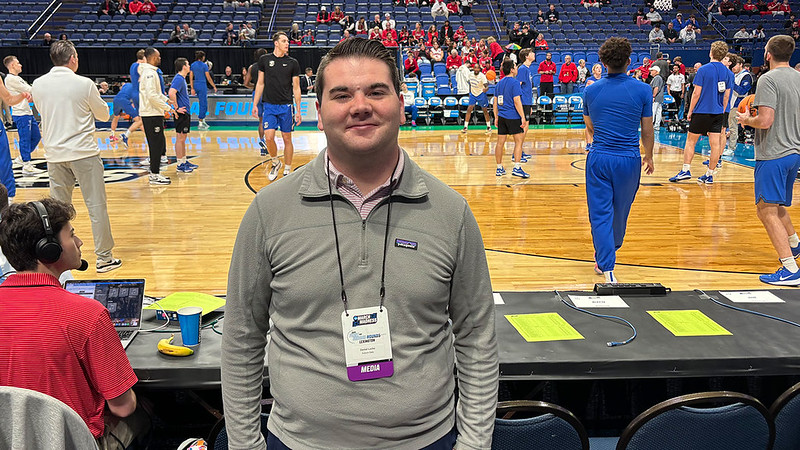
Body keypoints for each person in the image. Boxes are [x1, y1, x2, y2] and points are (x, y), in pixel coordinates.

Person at [221, 36, 498, 450]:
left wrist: (474, 443)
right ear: (318, 113)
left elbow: (477, 335)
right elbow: (242, 335)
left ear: (401, 104)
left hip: (428, 440)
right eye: (342, 95)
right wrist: (245, 445)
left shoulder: (451, 212)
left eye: (376, 92)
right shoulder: (269, 210)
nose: (360, 106)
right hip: (297, 442)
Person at [0, 198, 151, 448]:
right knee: (143, 410)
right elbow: (123, 407)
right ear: (49, 249)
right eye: (71, 235)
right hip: (73, 443)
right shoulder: (88, 314)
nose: (79, 242)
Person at [31, 40, 121, 273]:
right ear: (72, 58)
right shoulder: (84, 84)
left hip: (54, 154)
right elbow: (103, 114)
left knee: (57, 212)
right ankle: (104, 258)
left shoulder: (37, 84)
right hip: (84, 153)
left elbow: (42, 111)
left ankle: (58, 258)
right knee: (96, 206)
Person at [583, 37, 655, 283]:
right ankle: (607, 257)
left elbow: (590, 127)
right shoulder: (643, 90)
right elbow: (647, 130)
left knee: (600, 213)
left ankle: (605, 259)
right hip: (628, 159)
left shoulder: (590, 90)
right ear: (629, 61)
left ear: (603, 63)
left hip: (600, 157)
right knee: (620, 212)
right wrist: (649, 155)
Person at [736, 36, 800, 285]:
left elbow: (764, 121)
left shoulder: (768, 79)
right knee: (776, 205)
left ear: (768, 54)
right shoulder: (797, 77)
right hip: (793, 152)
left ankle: (790, 268)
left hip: (773, 152)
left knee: (765, 210)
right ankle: (794, 244)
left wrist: (746, 119)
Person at [669, 41, 733, 184]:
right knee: (715, 145)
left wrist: (690, 111)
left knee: (690, 141)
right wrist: (721, 111)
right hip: (718, 112)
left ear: (711, 53)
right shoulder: (728, 73)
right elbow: (727, 96)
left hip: (701, 111)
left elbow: (696, 93)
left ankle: (685, 170)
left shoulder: (703, 70)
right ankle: (709, 174)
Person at [251, 32, 302, 181]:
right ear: (276, 43)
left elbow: (296, 88)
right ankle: (275, 162)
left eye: (288, 41)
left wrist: (298, 110)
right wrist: (255, 104)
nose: (287, 43)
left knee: (287, 138)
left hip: (286, 106)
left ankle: (287, 169)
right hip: (269, 105)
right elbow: (260, 83)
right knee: (268, 137)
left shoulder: (293, 63)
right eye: (284, 41)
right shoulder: (265, 60)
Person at [139, 47, 175, 185]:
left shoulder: (151, 72)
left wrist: (167, 100)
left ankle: (155, 173)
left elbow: (157, 93)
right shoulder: (149, 73)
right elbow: (151, 95)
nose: (160, 58)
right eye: (158, 56)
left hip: (154, 113)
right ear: (153, 57)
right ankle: (154, 175)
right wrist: (168, 108)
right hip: (151, 114)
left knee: (158, 144)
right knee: (155, 145)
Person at [3, 56, 43, 176]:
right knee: (25, 139)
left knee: (36, 137)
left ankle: (22, 157)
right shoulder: (11, 79)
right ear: (12, 65)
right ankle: (27, 165)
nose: (20, 65)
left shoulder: (17, 78)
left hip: (27, 112)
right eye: (18, 63)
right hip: (21, 114)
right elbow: (29, 89)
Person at [494, 59, 529, 178]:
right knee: (518, 142)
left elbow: (495, 102)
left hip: (502, 116)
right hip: (513, 116)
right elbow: (516, 101)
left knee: (500, 143)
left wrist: (496, 116)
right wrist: (523, 116)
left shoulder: (499, 83)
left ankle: (499, 168)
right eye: (515, 66)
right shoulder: (515, 83)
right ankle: (517, 167)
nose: (517, 68)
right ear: (512, 69)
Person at [168, 58, 195, 174]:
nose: (189, 66)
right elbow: (171, 93)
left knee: (183, 138)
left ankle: (183, 160)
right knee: (180, 138)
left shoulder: (181, 79)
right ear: (184, 67)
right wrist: (176, 108)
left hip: (185, 112)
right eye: (188, 64)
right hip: (181, 113)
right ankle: (180, 164)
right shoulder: (179, 78)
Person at [244, 48, 269, 155]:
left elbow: (246, 83)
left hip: (256, 94)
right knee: (270, 120)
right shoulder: (268, 65)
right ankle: (269, 144)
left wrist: (255, 87)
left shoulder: (252, 67)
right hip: (267, 92)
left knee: (261, 121)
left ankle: (262, 143)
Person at [726, 55, 753, 155]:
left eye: (735, 65)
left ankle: (731, 148)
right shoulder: (734, 75)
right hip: (731, 104)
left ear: (741, 64)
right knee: (730, 127)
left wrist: (731, 83)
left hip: (739, 104)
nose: (733, 67)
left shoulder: (746, 76)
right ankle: (729, 147)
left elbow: (742, 91)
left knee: (733, 127)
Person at [189, 51, 217, 130]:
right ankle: (200, 122)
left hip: (196, 84)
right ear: (202, 57)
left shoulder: (192, 65)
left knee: (202, 103)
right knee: (203, 104)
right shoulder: (204, 65)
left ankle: (203, 120)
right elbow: (208, 77)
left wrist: (192, 88)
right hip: (202, 85)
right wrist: (214, 86)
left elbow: (191, 77)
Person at [109, 83, 143, 148]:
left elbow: (122, 89)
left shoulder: (126, 84)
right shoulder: (137, 87)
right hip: (124, 100)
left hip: (116, 99)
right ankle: (147, 136)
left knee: (116, 117)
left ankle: (112, 135)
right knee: (138, 120)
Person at [462, 64, 492, 133]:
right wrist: (469, 92)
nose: (476, 69)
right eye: (475, 68)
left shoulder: (482, 76)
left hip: (481, 94)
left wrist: (486, 89)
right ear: (473, 68)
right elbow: (469, 83)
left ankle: (488, 127)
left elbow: (487, 86)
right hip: (473, 94)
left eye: (477, 68)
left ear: (479, 69)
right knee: (469, 109)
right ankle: (465, 127)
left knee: (485, 110)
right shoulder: (470, 75)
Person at [517, 49, 535, 147]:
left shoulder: (527, 69)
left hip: (527, 102)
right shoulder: (522, 69)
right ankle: (518, 151)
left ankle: (520, 150)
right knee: (523, 126)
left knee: (526, 126)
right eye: (531, 53)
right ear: (526, 56)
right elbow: (518, 86)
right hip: (523, 102)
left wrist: (530, 105)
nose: (534, 54)